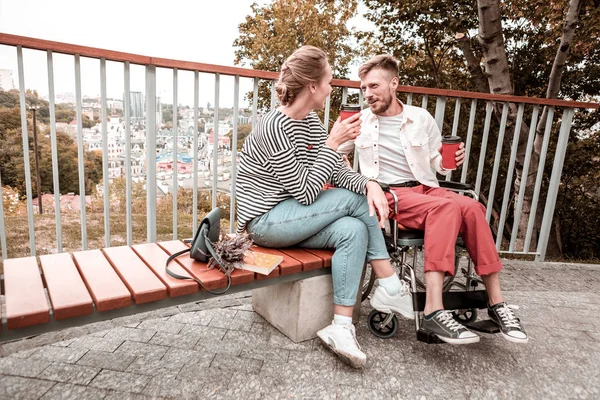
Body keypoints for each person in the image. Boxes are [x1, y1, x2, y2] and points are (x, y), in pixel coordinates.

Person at [236, 46, 415, 368]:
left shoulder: (310, 120)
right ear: (312, 86)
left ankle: (341, 327)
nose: (332, 88)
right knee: (352, 203)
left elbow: (335, 171)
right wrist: (332, 144)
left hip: (295, 218)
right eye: (329, 81)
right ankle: (389, 283)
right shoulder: (274, 126)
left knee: (353, 228)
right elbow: (306, 192)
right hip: (265, 222)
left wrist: (369, 184)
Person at [338, 54, 528, 345]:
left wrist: (451, 161)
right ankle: (433, 310)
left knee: (474, 208)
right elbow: (335, 155)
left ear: (394, 84)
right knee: (447, 207)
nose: (367, 94)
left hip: (425, 188)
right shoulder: (359, 121)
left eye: (373, 86)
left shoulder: (420, 118)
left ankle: (496, 302)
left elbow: (438, 163)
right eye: (363, 88)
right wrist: (359, 182)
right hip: (390, 195)